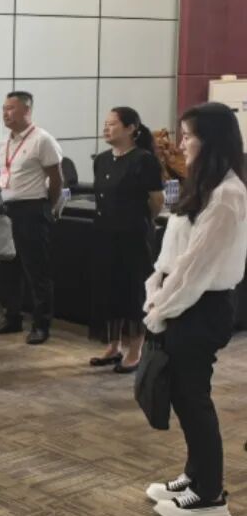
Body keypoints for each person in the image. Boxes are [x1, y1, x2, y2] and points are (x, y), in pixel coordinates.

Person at [143, 102, 246, 516]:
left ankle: (209, 497)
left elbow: (196, 268)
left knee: (193, 397)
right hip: (181, 301)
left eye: (188, 136)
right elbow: (173, 255)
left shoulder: (228, 195)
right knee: (185, 396)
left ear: (212, 140)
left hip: (200, 307)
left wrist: (160, 310)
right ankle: (196, 474)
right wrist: (155, 291)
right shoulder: (202, 184)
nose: (180, 143)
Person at [87, 107, 164, 373]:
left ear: (131, 128)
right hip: (104, 233)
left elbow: (156, 200)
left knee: (133, 290)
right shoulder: (102, 159)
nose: (106, 128)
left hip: (133, 235)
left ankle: (135, 349)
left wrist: (141, 221)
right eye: (105, 124)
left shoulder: (144, 160)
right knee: (108, 288)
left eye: (113, 124)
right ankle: (113, 346)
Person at [0, 91, 64, 344]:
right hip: (5, 208)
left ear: (27, 110)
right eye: (4, 108)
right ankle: (12, 317)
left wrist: (47, 206)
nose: (5, 113)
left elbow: (56, 179)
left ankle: (41, 324)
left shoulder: (42, 140)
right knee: (7, 268)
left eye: (11, 108)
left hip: (32, 209)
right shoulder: (3, 142)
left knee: (36, 270)